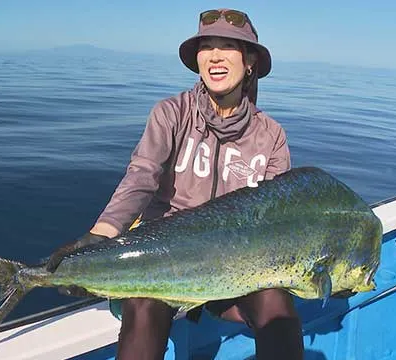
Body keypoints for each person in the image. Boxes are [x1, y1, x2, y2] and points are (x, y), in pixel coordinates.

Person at [46, 9, 303, 360]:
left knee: (278, 309)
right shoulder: (172, 113)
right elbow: (141, 177)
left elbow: (277, 216)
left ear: (250, 61)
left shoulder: (271, 135)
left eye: (229, 46)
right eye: (206, 46)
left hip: (234, 267)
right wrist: (100, 235)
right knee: (143, 306)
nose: (214, 56)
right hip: (163, 260)